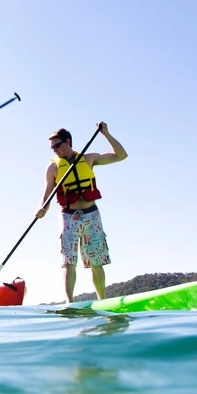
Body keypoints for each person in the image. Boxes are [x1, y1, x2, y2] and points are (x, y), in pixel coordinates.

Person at [35, 123, 127, 302]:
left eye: (57, 145)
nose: (54, 150)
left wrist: (106, 134)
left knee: (96, 262)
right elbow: (46, 195)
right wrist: (41, 209)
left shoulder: (88, 158)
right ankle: (69, 303)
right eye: (51, 147)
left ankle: (102, 301)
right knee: (68, 262)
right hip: (68, 216)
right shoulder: (52, 168)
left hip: (91, 214)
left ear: (67, 141)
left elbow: (121, 155)